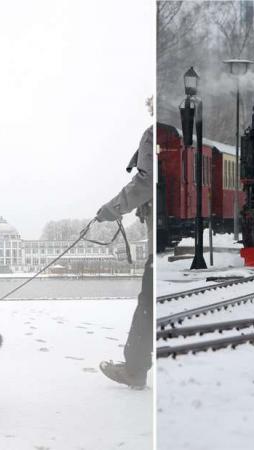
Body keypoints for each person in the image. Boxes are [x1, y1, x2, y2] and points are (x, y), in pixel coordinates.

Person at [95, 125, 153, 389]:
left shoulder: (153, 133)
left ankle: (135, 369)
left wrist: (112, 208)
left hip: (156, 238)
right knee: (148, 304)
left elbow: (145, 181)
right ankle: (136, 367)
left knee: (147, 306)